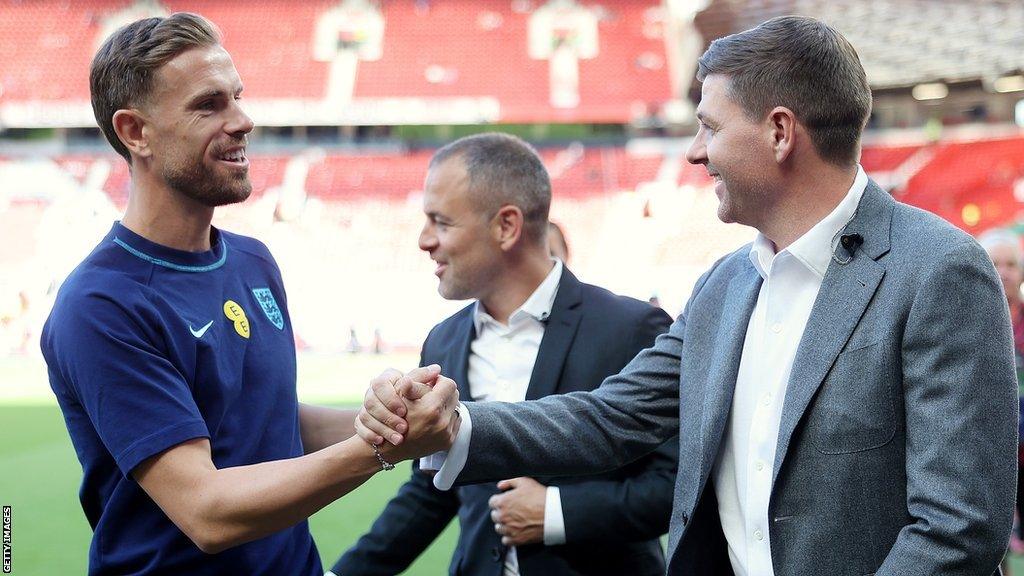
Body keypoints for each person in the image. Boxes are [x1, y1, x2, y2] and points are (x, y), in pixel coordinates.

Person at [359, 15, 1018, 576]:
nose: (695, 154)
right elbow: (612, 418)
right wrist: (456, 421)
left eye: (709, 127)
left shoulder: (937, 270)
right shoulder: (725, 285)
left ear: (780, 133)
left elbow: (957, 529)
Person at [39, 13, 456, 575]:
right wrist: (377, 450)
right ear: (136, 132)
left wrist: (399, 419)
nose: (243, 120)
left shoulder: (253, 260)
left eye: (237, 97)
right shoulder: (101, 305)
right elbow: (207, 512)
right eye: (209, 105)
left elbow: (272, 423)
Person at [330, 133, 677, 576]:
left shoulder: (630, 328)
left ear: (506, 226)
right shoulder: (443, 342)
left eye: (441, 221)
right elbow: (430, 492)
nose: (422, 240)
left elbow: (674, 483)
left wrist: (556, 511)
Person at [980, 229, 1024, 560]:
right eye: (995, 262)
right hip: (984, 449)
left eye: (1011, 264)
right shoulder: (966, 319)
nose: (1004, 272)